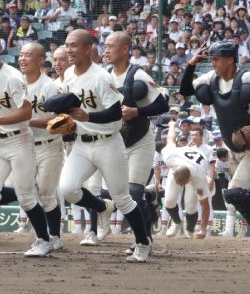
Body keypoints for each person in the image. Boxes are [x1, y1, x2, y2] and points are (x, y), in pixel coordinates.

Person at [55, 29, 151, 262]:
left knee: (123, 198)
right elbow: (71, 108)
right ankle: (101, 207)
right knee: (68, 189)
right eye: (67, 45)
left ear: (88, 49)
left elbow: (115, 112)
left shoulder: (101, 77)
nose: (69, 50)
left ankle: (142, 242)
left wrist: (88, 117)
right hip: (82, 144)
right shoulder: (68, 74)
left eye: (74, 45)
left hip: (108, 144)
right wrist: (66, 123)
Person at [0, 32, 53, 257]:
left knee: (26, 196)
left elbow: (26, 112)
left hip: (19, 141)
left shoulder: (13, 77)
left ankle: (44, 241)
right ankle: (21, 191)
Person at [103, 32, 169, 252]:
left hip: (140, 140)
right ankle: (148, 212)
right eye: (104, 46)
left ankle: (143, 239)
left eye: (110, 46)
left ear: (124, 49)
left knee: (132, 192)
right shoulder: (104, 76)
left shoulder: (138, 75)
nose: (105, 50)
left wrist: (136, 111)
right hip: (116, 141)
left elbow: (161, 105)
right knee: (114, 195)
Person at [179, 40, 250, 228]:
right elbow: (185, 90)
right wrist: (191, 64)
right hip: (233, 149)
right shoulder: (210, 78)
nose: (213, 63)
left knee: (234, 193)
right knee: (235, 197)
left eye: (216, 59)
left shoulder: (246, 79)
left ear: (229, 60)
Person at [20, 42, 64, 250]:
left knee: (46, 194)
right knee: (26, 191)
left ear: (40, 60)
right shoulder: (16, 83)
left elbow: (59, 119)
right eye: (21, 55)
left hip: (49, 145)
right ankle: (43, 234)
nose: (22, 59)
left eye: (28, 55)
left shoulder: (51, 86)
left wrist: (23, 120)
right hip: (24, 144)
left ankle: (55, 236)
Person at [161, 121, 212, 239]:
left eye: (183, 183)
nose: (181, 186)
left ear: (188, 179)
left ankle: (189, 230)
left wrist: (203, 230)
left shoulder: (198, 178)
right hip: (179, 164)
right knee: (169, 201)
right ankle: (177, 223)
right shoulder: (170, 157)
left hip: (196, 168)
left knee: (190, 204)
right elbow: (171, 139)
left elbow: (205, 205)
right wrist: (172, 125)